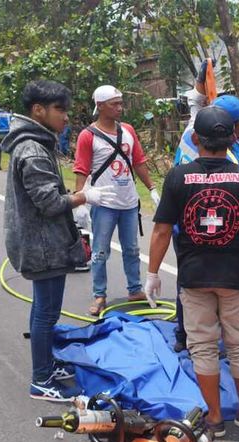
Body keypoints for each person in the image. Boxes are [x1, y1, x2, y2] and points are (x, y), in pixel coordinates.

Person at [144, 106, 239, 437]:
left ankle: (215, 418)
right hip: (235, 276)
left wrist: (152, 274)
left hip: (194, 277)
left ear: (195, 139)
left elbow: (162, 230)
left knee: (203, 346)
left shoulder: (177, 177)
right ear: (233, 138)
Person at [2, 80, 117, 400]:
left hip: (43, 240)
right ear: (38, 110)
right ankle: (41, 379)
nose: (66, 117)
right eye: (59, 110)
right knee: (45, 313)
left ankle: (47, 364)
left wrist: (74, 200)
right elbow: (49, 203)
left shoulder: (36, 143)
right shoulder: (32, 149)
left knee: (45, 310)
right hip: (42, 246)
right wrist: (83, 197)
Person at [171, 59, 239, 351]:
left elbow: (196, 101)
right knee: (202, 283)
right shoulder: (223, 155)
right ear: (229, 126)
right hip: (206, 221)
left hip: (196, 218)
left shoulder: (197, 131)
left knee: (192, 280)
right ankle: (197, 338)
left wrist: (201, 78)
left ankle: (191, 335)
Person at [73, 85, 158, 316]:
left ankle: (135, 289)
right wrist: (79, 200)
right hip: (104, 203)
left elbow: (138, 161)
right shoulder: (88, 136)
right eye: (114, 104)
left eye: (121, 103)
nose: (120, 108)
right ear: (100, 106)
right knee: (100, 251)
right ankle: (99, 295)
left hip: (129, 201)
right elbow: (81, 169)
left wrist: (151, 188)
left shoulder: (128, 130)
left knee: (132, 248)